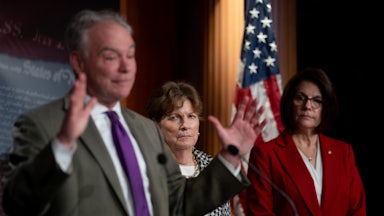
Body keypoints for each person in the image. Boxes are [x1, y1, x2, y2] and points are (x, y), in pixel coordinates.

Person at [2, 9, 267, 216]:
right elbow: (18, 206)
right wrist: (62, 146)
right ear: (78, 61)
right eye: (111, 57)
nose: (126, 67)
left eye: (130, 55)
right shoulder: (41, 124)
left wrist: (230, 157)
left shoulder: (147, 130)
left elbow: (180, 204)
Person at [245, 67, 366, 215]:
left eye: (316, 100)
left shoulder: (343, 152)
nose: (307, 106)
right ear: (290, 102)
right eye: (300, 98)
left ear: (325, 108)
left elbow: (357, 209)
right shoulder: (265, 155)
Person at [146, 81, 232, 216]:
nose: (185, 125)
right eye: (174, 117)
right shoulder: (146, 169)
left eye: (191, 116)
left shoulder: (212, 168)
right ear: (155, 125)